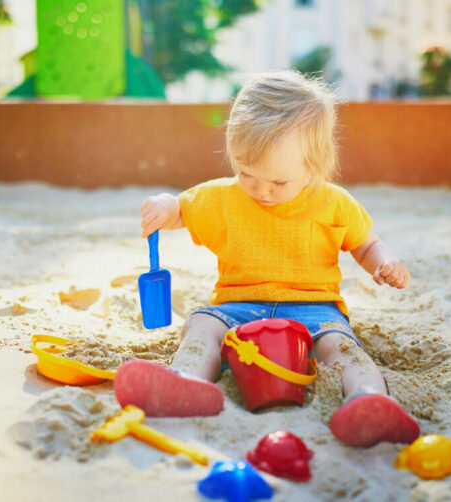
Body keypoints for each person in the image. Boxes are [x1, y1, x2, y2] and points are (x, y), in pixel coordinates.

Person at [114, 70, 420, 448]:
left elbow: (365, 243)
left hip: (314, 309)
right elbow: (182, 209)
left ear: (314, 166)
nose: (261, 190)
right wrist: (164, 206)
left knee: (343, 349)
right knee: (200, 325)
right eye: (247, 173)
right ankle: (188, 382)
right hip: (238, 307)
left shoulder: (334, 203)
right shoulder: (223, 198)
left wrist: (384, 263)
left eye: (279, 183)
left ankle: (369, 399)